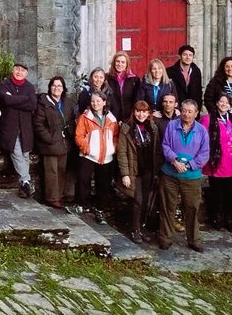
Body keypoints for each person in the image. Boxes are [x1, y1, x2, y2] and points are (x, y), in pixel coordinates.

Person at [160, 99, 210, 251]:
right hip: (170, 174)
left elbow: (204, 153)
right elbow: (165, 145)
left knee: (191, 208)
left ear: (196, 113)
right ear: (180, 111)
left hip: (191, 177)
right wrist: (174, 161)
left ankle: (194, 240)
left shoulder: (201, 131)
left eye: (190, 111)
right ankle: (165, 238)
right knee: (167, 206)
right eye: (184, 110)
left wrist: (189, 165)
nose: (186, 114)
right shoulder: (172, 125)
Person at [117, 100, 163, 243]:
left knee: (145, 202)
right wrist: (125, 174)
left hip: (148, 170)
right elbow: (122, 152)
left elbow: (157, 151)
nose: (141, 114)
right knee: (137, 201)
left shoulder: (153, 128)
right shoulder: (126, 128)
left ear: (149, 113)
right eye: (138, 111)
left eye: (144, 111)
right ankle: (134, 230)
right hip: (133, 170)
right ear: (134, 112)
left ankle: (141, 227)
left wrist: (157, 171)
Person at [201, 93, 232, 232]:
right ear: (216, 103)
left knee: (230, 193)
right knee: (216, 193)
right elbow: (202, 140)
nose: (224, 104)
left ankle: (228, 219)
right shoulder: (208, 119)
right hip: (216, 162)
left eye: (227, 102)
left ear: (230, 105)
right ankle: (216, 218)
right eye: (221, 101)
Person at [75, 90, 119, 223]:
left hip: (106, 156)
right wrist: (87, 149)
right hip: (89, 155)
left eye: (98, 101)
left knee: (103, 184)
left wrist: (113, 148)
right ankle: (80, 204)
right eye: (93, 101)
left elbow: (116, 136)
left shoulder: (111, 119)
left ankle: (100, 209)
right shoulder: (85, 117)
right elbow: (79, 135)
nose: (95, 103)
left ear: (104, 102)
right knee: (83, 179)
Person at [0, 62, 38, 198]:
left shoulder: (29, 87)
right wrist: (24, 99)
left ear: (26, 73)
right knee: (16, 152)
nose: (19, 72)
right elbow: (6, 100)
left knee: (25, 154)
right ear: (13, 70)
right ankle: (26, 180)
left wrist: (15, 100)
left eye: (22, 70)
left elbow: (32, 104)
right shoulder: (4, 84)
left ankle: (23, 186)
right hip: (10, 127)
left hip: (25, 127)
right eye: (17, 69)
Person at [33, 76, 75, 209]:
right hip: (50, 143)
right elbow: (38, 124)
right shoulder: (44, 103)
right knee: (51, 171)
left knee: (62, 170)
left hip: (64, 143)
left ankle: (60, 195)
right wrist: (49, 138)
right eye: (54, 86)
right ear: (50, 87)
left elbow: (72, 120)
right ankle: (52, 198)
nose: (56, 88)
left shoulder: (68, 103)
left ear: (63, 89)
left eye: (59, 86)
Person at [166, 45, 203, 113]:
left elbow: (199, 92)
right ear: (180, 56)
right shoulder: (169, 72)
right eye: (185, 55)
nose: (188, 57)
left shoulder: (196, 71)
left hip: (192, 110)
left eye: (190, 55)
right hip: (175, 110)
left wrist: (197, 109)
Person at [106, 53, 139, 124]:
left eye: (123, 62)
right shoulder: (107, 78)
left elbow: (137, 99)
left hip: (129, 118)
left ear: (127, 64)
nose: (120, 64)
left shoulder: (134, 79)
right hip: (111, 117)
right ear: (114, 62)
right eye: (117, 61)